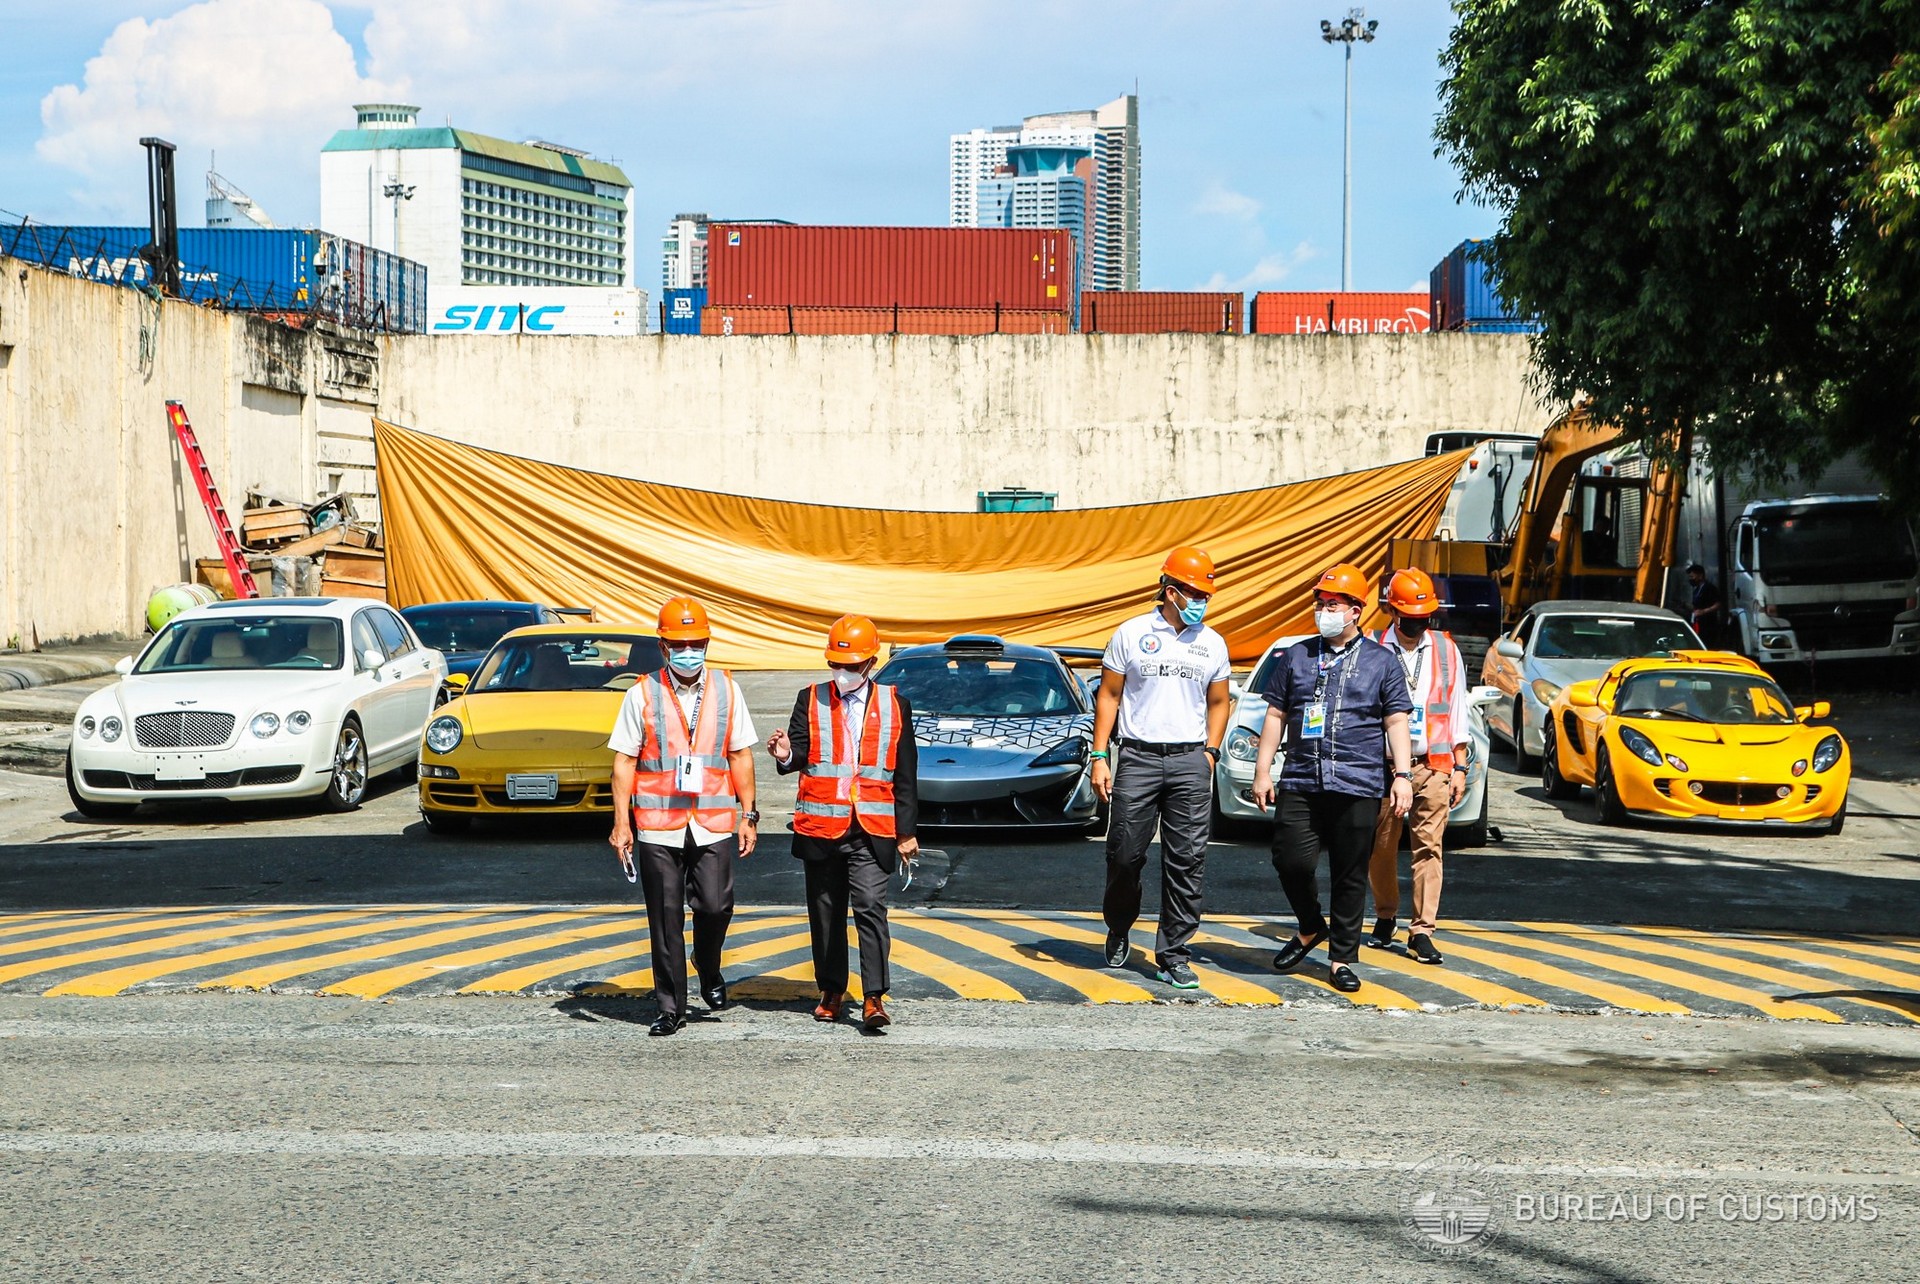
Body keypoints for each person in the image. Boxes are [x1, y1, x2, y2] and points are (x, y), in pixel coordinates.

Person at [1252, 563, 1414, 993]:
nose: (1324, 611)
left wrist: (1402, 775)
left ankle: (1341, 958)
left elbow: (1396, 720)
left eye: (1334, 604)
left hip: (1359, 782)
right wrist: (1263, 770)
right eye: (1321, 604)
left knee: (1350, 873)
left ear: (1356, 611)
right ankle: (1310, 926)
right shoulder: (1296, 656)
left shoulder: (1382, 662)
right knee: (1291, 860)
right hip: (1302, 779)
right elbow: (1275, 714)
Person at [608, 597, 759, 1037]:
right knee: (665, 917)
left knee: (715, 906)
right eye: (680, 643)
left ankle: (707, 965)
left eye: (697, 642)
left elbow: (740, 754)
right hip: (658, 825)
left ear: (707, 643)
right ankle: (671, 1006)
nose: (689, 650)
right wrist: (622, 824)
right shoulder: (642, 692)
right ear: (663, 646)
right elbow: (623, 763)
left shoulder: (728, 690)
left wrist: (749, 814)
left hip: (712, 822)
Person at [1088, 546, 1233, 990]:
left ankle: (1174, 953)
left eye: (1205, 594)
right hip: (1137, 757)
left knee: (1187, 859)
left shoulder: (1211, 642)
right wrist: (1099, 757)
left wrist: (1209, 752)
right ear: (1170, 591)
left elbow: (1219, 701)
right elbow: (1109, 695)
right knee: (1125, 853)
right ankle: (1119, 923)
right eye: (1193, 592)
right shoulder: (1131, 634)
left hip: (1190, 759)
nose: (1200, 601)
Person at [767, 614, 919, 1031]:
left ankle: (873, 998)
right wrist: (783, 753)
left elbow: (905, 774)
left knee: (870, 906)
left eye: (852, 666)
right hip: (821, 829)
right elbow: (798, 753)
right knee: (826, 911)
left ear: (871, 663)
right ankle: (831, 990)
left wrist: (907, 832)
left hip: (871, 828)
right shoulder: (810, 698)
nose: (844, 673)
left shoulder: (894, 704)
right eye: (837, 664)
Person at [1364, 568, 1469, 966]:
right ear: (1393, 611)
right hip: (1383, 767)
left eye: (1425, 616)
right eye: (1411, 616)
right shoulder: (1372, 647)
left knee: (1429, 848)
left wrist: (1460, 766)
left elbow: (1456, 710)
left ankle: (1422, 931)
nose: (1419, 624)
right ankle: (1386, 914)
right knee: (1382, 847)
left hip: (1433, 764)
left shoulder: (1445, 649)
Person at [1687, 563, 1722, 644]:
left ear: (1700, 575)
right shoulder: (1697, 589)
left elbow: (1718, 604)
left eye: (1692, 577)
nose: (1691, 579)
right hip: (1697, 622)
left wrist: (1704, 611)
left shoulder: (1709, 588)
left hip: (1708, 624)